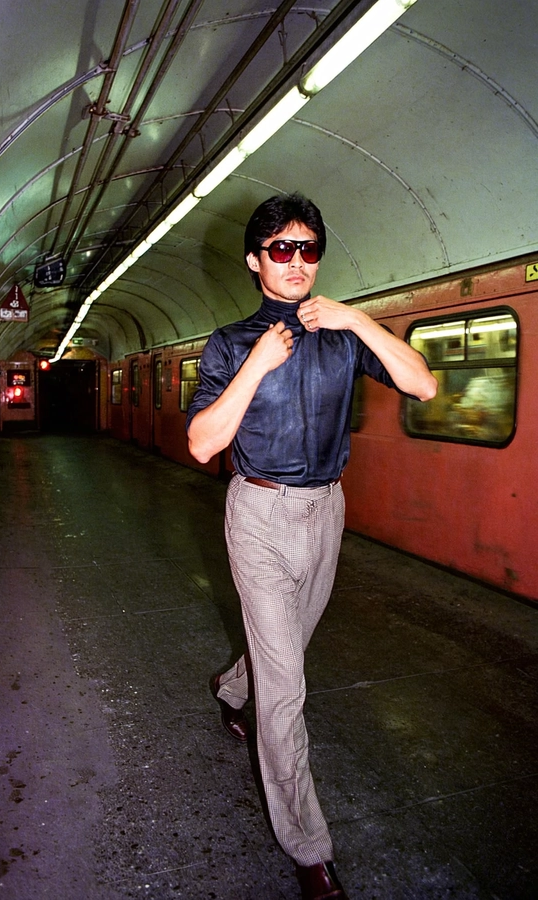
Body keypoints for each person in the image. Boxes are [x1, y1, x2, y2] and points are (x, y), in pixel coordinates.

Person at [186, 193, 437, 900]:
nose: (296, 261)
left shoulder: (341, 333)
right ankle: (310, 851)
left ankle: (233, 687)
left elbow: (422, 382)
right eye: (280, 248)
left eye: (307, 248)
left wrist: (357, 318)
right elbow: (205, 442)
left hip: (327, 509)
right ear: (255, 260)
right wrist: (257, 366)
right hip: (259, 511)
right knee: (289, 686)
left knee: (286, 646)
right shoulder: (232, 343)